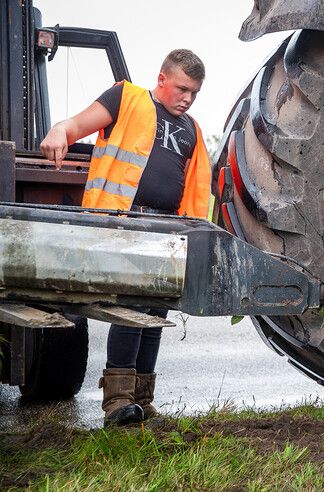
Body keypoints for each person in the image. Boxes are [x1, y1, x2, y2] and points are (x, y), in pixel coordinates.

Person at [40, 49, 211, 427]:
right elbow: (77, 125)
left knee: (155, 315)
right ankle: (117, 403)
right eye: (182, 88)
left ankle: (143, 402)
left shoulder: (192, 129)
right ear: (162, 79)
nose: (187, 98)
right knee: (131, 310)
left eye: (195, 93)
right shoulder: (127, 98)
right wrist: (59, 131)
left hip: (170, 230)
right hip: (127, 223)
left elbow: (193, 187)